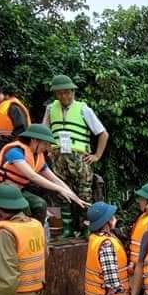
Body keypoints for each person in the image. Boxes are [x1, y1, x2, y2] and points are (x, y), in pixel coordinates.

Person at [0, 124, 86, 225]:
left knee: (40, 204)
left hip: (14, 191)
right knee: (22, 207)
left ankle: (36, 235)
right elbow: (32, 176)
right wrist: (59, 189)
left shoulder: (38, 156)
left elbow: (55, 179)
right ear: (34, 140)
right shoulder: (15, 151)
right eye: (45, 143)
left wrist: (74, 196)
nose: (47, 147)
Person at [42, 74, 109, 205]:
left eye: (67, 93)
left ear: (73, 91)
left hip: (79, 159)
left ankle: (85, 225)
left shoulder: (83, 109)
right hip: (57, 158)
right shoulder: (50, 108)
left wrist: (97, 156)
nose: (64, 96)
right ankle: (64, 225)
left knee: (84, 196)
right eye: (60, 93)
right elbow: (44, 132)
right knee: (59, 195)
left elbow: (103, 133)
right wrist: (48, 149)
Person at [0, 184, 46, 295]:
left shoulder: (6, 233)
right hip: (38, 293)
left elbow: (7, 278)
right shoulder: (36, 225)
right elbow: (45, 254)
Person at [84, 201, 131, 295]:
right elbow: (111, 278)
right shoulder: (106, 244)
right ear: (106, 222)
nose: (114, 218)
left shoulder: (96, 238)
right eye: (111, 217)